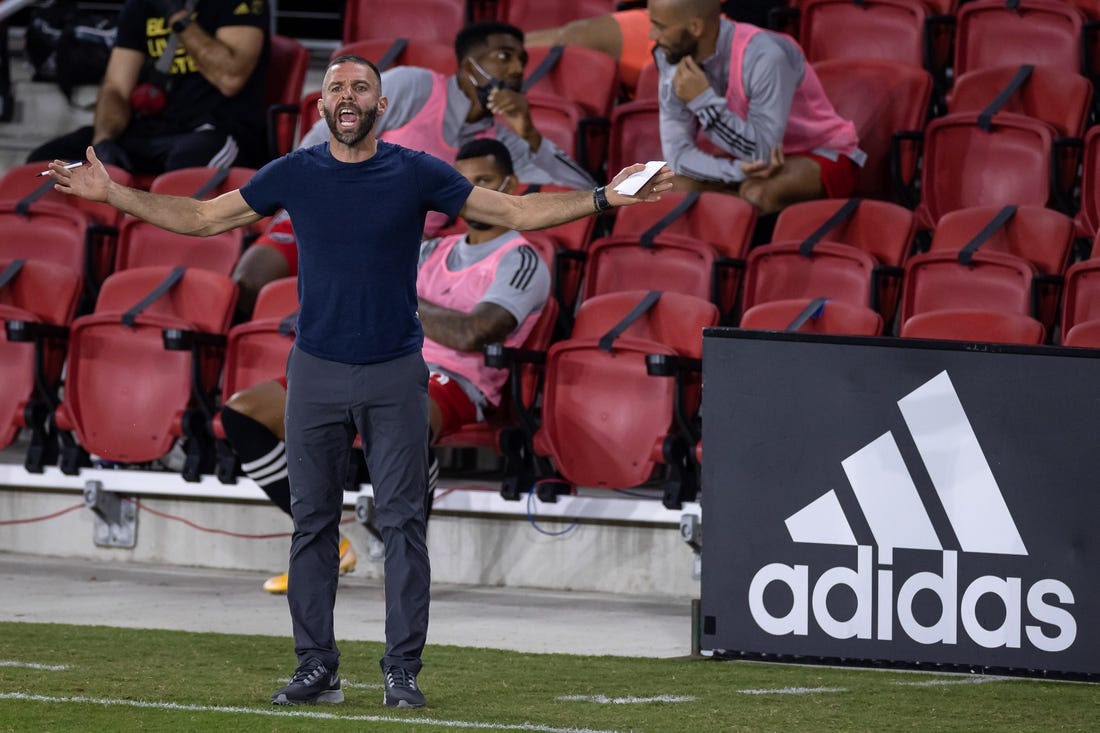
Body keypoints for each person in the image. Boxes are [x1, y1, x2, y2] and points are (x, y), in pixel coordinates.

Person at [42, 53, 671, 709]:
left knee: (404, 525)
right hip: (313, 368)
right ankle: (317, 668)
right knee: (311, 525)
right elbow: (202, 219)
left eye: (360, 86)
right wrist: (113, 193)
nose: (347, 95)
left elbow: (513, 213)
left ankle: (402, 670)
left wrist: (604, 197)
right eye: (335, 86)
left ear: (382, 105)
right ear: (321, 108)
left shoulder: (417, 171)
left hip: (397, 372)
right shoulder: (295, 172)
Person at [221, 137, 551, 595]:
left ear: (510, 185)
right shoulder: (433, 250)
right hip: (382, 357)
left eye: (487, 182)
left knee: (407, 419)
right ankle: (329, 543)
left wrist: (397, 299)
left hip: (459, 381)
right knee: (243, 412)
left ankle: (407, 567)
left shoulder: (521, 258)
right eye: (466, 182)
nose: (474, 191)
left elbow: (475, 333)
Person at [233, 20, 594, 319]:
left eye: (521, 60)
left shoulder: (500, 142)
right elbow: (318, 138)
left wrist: (529, 132)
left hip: (398, 248)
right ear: (469, 65)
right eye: (504, 57)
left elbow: (580, 187)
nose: (517, 69)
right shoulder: (414, 86)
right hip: (324, 213)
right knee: (251, 278)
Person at [648, 0, 865, 215]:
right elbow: (677, 155)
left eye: (660, 26)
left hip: (820, 152)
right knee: (670, 185)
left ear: (695, 27)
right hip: (746, 156)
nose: (652, 36)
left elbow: (762, 154)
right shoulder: (670, 56)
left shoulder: (765, 56)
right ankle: (714, 248)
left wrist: (702, 100)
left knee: (756, 194)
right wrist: (733, 172)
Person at [26, 0, 269, 175]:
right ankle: (92, 241)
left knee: (188, 163)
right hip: (154, 133)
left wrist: (176, 16)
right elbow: (115, 88)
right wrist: (103, 142)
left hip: (219, 131)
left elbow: (230, 78)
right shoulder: (141, 6)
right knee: (44, 164)